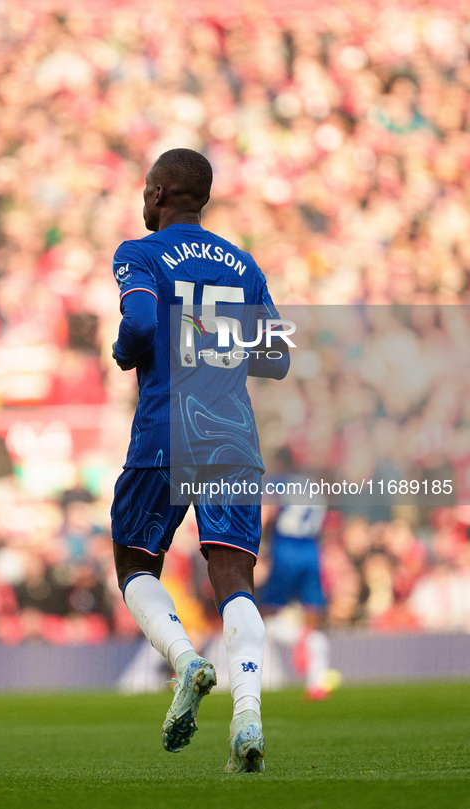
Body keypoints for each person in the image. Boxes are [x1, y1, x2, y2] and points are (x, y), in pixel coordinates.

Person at [110, 148, 290, 772]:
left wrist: (125, 351)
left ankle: (187, 661)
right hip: (232, 440)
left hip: (165, 430)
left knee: (135, 563)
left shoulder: (139, 253)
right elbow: (277, 356)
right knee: (234, 583)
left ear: (158, 194)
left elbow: (136, 327)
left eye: (145, 190)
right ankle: (248, 719)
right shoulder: (242, 263)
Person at [259, 450, 338, 700]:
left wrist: (257, 546)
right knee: (313, 611)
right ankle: (317, 681)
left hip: (285, 550)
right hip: (311, 550)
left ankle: (293, 640)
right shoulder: (313, 484)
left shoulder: (277, 482)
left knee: (265, 613)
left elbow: (266, 513)